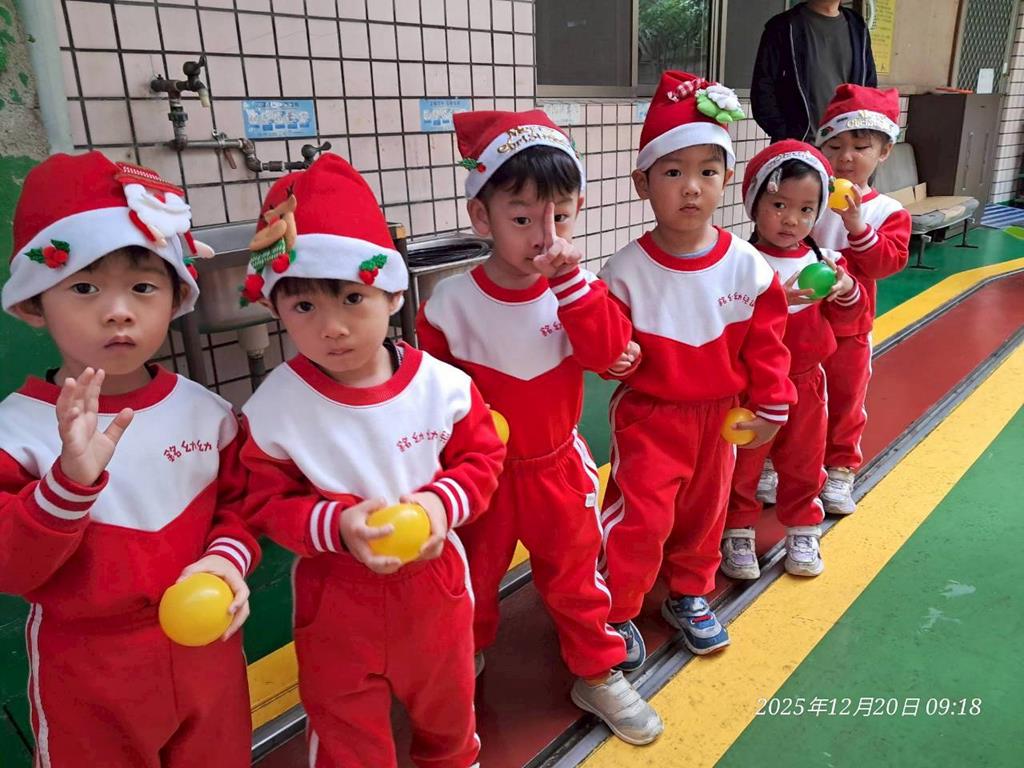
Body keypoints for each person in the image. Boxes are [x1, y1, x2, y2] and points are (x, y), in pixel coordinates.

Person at [239, 153, 506, 768]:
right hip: (336, 595)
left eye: (351, 298)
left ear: (392, 294)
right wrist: (336, 525)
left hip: (434, 586)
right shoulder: (275, 407)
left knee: (448, 707)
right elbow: (264, 499)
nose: (331, 328)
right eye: (304, 307)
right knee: (343, 727)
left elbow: (482, 458)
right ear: (276, 310)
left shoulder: (442, 387)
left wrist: (439, 505)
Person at [0, 151, 258, 767]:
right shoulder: (16, 432)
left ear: (176, 298)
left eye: (143, 287)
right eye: (84, 287)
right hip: (89, 671)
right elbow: (11, 569)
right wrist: (67, 485)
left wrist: (225, 561)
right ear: (34, 304)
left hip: (211, 647)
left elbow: (243, 507)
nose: (119, 310)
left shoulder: (208, 413)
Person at [416, 109, 662, 746]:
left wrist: (573, 285)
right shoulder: (448, 306)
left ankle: (596, 670)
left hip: (556, 465)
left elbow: (609, 354)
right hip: (479, 475)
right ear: (482, 218)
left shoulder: (577, 288)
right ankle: (461, 656)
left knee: (576, 575)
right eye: (522, 218)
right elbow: (429, 401)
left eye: (561, 218)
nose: (544, 237)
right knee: (470, 577)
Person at [598, 71, 796, 661]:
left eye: (708, 172)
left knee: (706, 515)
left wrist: (771, 404)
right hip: (650, 417)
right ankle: (619, 606)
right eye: (673, 173)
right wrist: (614, 358)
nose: (691, 188)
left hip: (721, 418)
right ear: (642, 183)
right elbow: (605, 345)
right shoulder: (624, 271)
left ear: (727, 180)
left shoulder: (747, 266)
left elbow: (768, 344)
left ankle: (689, 592)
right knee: (641, 516)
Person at [721, 141, 868, 580]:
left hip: (807, 382)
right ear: (754, 203)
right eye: (779, 205)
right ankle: (737, 529)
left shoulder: (825, 260)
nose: (791, 220)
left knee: (804, 460)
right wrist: (772, 301)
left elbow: (852, 315)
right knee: (745, 462)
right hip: (754, 385)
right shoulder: (739, 261)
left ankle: (803, 527)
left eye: (806, 210)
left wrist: (846, 290)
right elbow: (726, 323)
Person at [811, 84, 911, 515]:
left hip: (850, 328)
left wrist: (856, 225)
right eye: (834, 146)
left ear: (884, 151)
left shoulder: (887, 211)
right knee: (789, 391)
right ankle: (778, 460)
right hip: (798, 322)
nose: (846, 157)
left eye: (860, 147)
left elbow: (887, 262)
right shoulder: (807, 198)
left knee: (846, 398)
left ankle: (839, 467)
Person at [751, 0, 878, 142]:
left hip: (846, 146)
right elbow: (763, 88)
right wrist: (786, 136)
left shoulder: (858, 27)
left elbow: (869, 86)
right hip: (800, 146)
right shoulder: (783, 26)